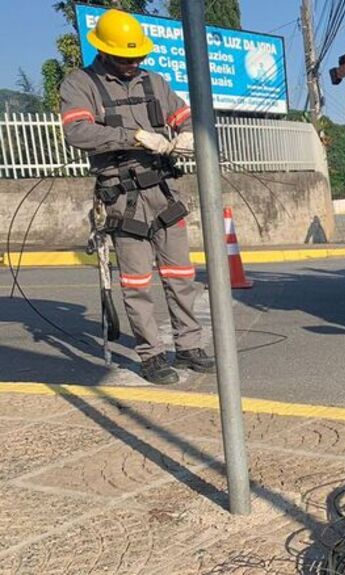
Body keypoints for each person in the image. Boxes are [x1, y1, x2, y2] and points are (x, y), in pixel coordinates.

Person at [60, 9, 215, 385]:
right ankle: (151, 354)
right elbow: (77, 131)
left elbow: (182, 113)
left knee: (180, 274)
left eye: (138, 57)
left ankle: (189, 345)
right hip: (122, 196)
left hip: (163, 189)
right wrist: (134, 137)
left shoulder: (154, 82)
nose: (133, 64)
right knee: (137, 282)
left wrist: (187, 134)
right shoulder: (81, 84)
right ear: (105, 51)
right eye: (125, 58)